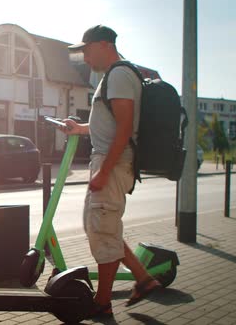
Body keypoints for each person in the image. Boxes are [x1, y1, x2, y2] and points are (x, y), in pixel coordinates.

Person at [62, 25, 162, 318]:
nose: (84, 57)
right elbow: (109, 125)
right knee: (101, 227)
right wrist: (79, 128)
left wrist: (104, 171)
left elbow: (124, 129)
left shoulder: (118, 75)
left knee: (103, 229)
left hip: (113, 163)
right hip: (109, 160)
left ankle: (102, 303)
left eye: (86, 50)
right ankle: (143, 279)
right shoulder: (112, 76)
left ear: (105, 45)